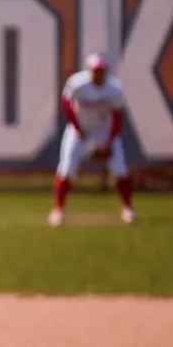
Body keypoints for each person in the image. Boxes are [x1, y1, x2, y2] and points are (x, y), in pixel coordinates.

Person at [49, 52, 136, 227]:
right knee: (66, 169)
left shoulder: (115, 89)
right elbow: (66, 104)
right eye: (96, 71)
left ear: (106, 71)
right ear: (89, 71)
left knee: (120, 170)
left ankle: (128, 209)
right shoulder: (77, 83)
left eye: (102, 71)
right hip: (80, 130)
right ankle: (59, 210)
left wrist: (109, 141)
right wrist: (76, 126)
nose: (98, 74)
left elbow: (118, 118)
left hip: (105, 131)